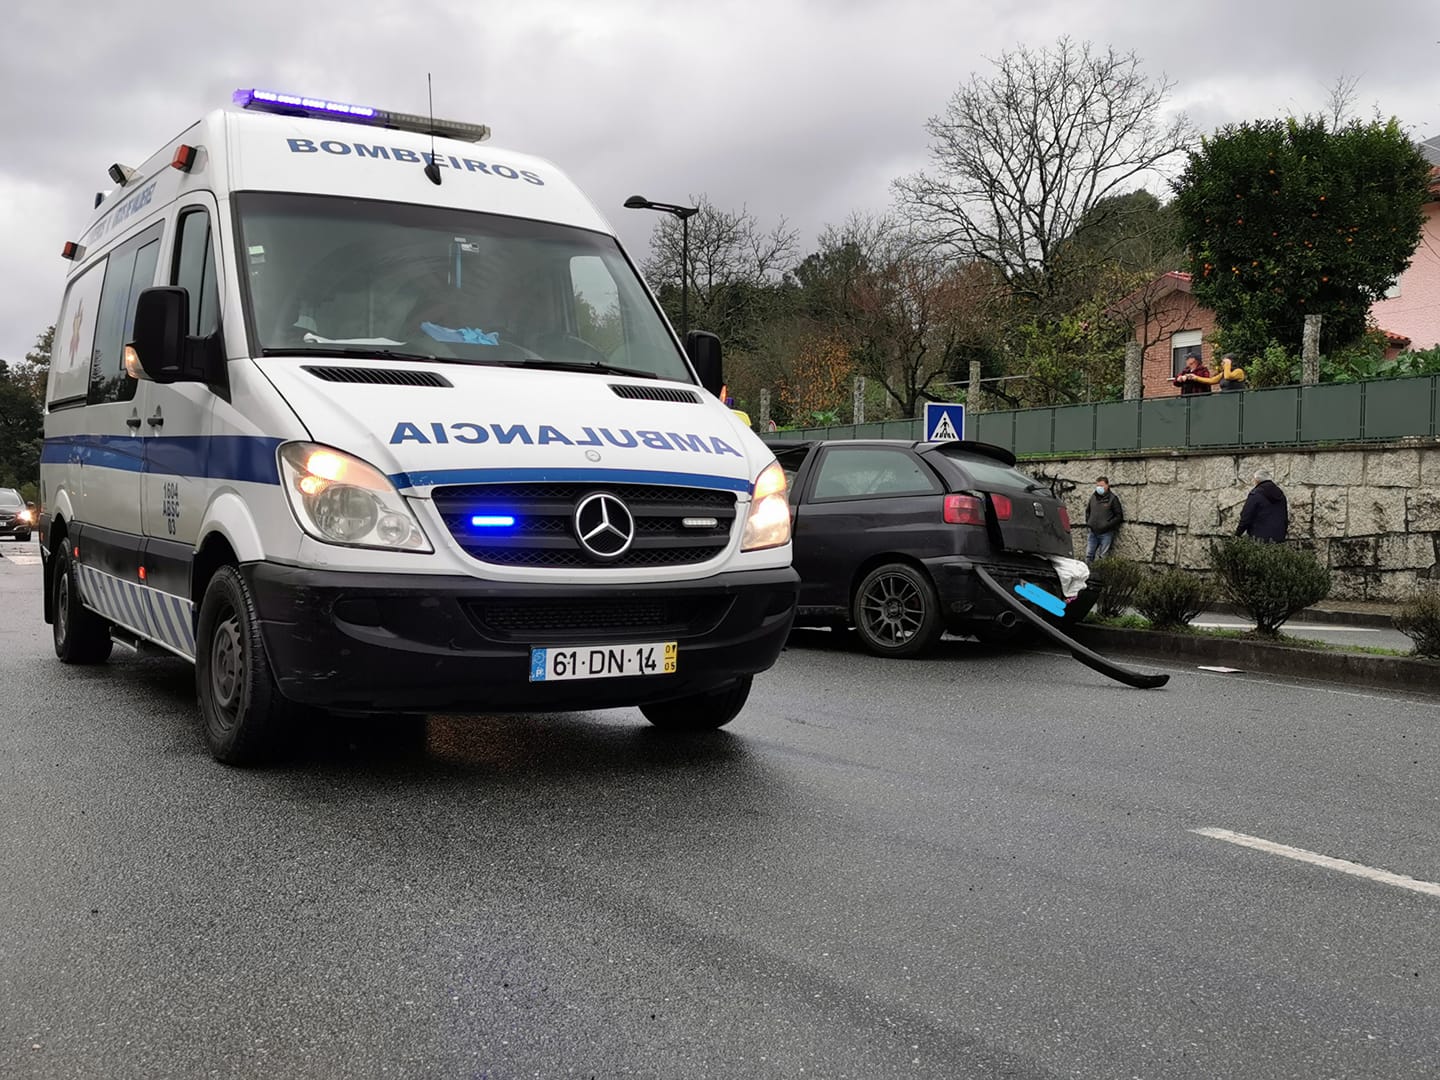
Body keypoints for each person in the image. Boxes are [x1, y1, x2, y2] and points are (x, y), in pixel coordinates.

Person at [1236, 468, 1288, 542]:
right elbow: (1285, 516)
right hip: (1278, 537)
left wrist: (1237, 534)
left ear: (1256, 481)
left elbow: (1246, 516)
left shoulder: (1255, 494)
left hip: (1259, 539)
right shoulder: (1281, 494)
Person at [1085, 475, 1124, 562]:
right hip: (1093, 532)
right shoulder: (1093, 497)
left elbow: (1119, 516)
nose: (1099, 488)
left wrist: (1107, 525)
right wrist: (1089, 522)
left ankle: (1101, 574)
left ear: (1107, 485)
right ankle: (1087, 574)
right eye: (1098, 486)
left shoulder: (1113, 499)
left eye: (1101, 486)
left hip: (1106, 534)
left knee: (1103, 556)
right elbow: (1088, 511)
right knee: (1089, 555)